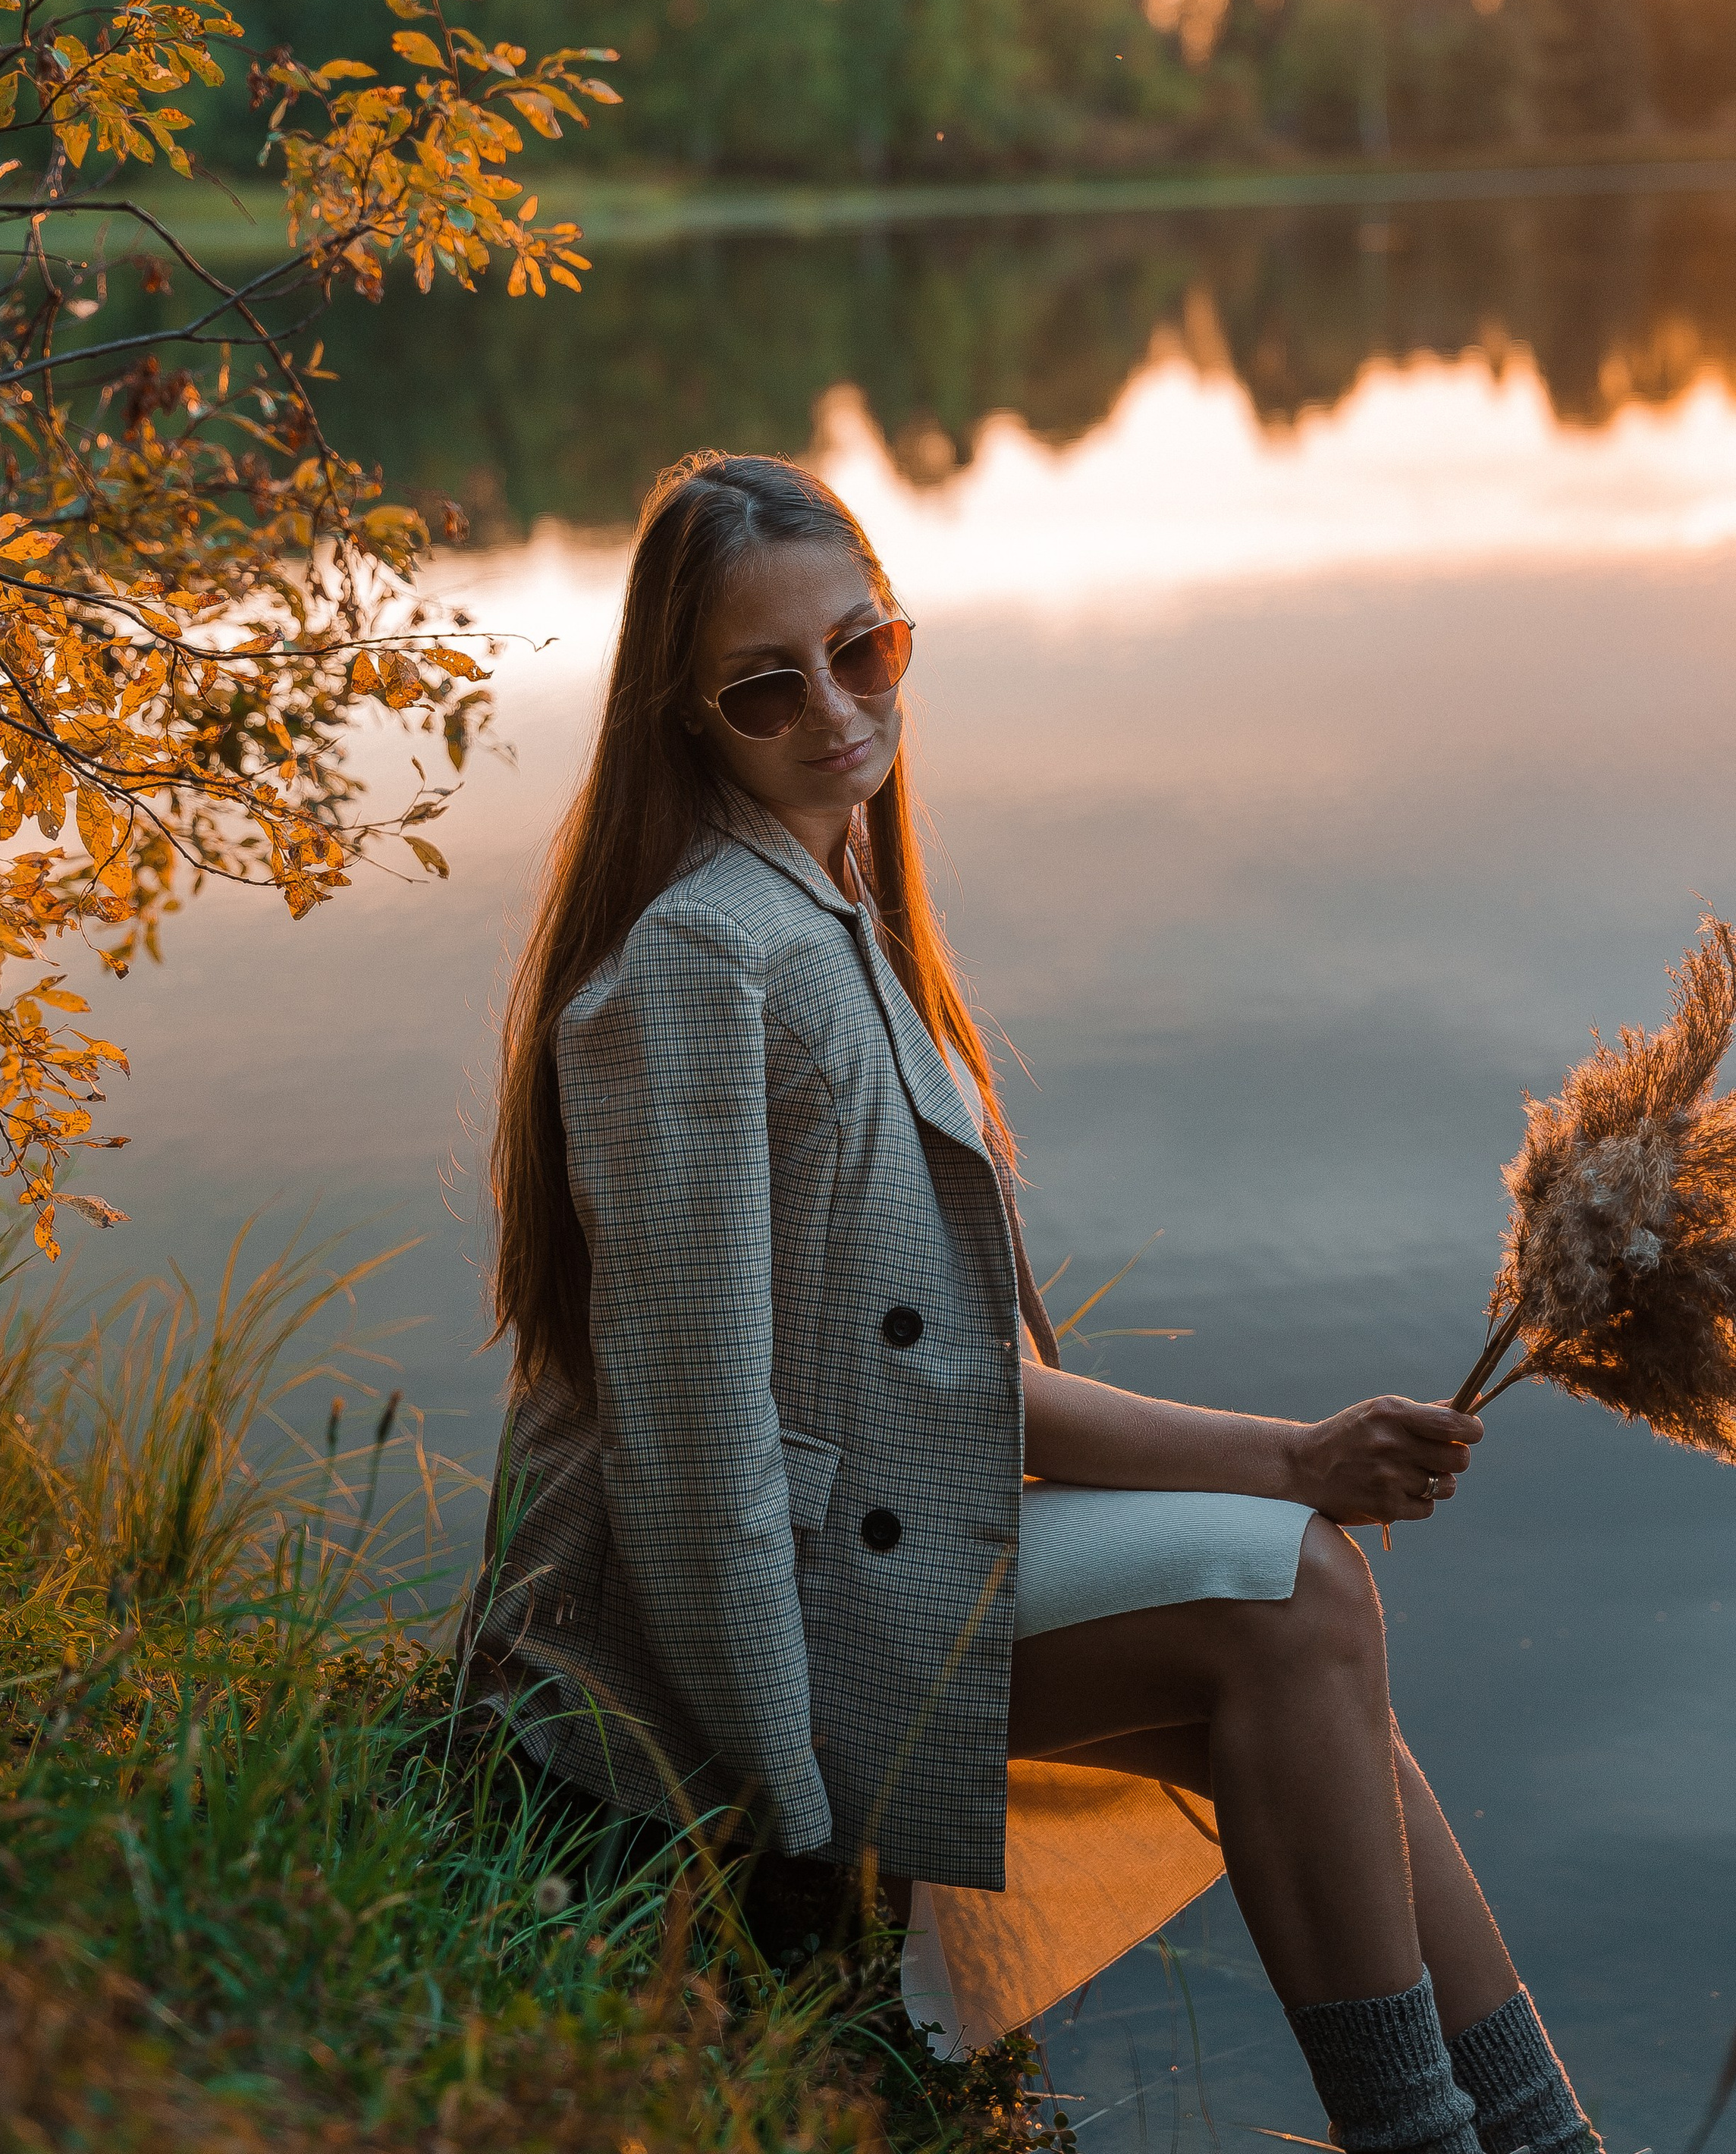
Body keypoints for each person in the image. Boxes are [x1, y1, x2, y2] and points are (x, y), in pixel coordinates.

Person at [466, 450, 1596, 2154]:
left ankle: (1537, 2140)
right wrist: (786, 1828)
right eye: (766, 687)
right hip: (706, 1651)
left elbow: (955, 1377)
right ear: (686, 717)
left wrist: (1290, 1454)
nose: (835, 709)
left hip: (854, 1558)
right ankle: (1442, 2145)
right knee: (1294, 1607)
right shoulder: (702, 958)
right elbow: (692, 1440)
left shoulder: (832, 895)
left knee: (1305, 1628)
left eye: (866, 650)